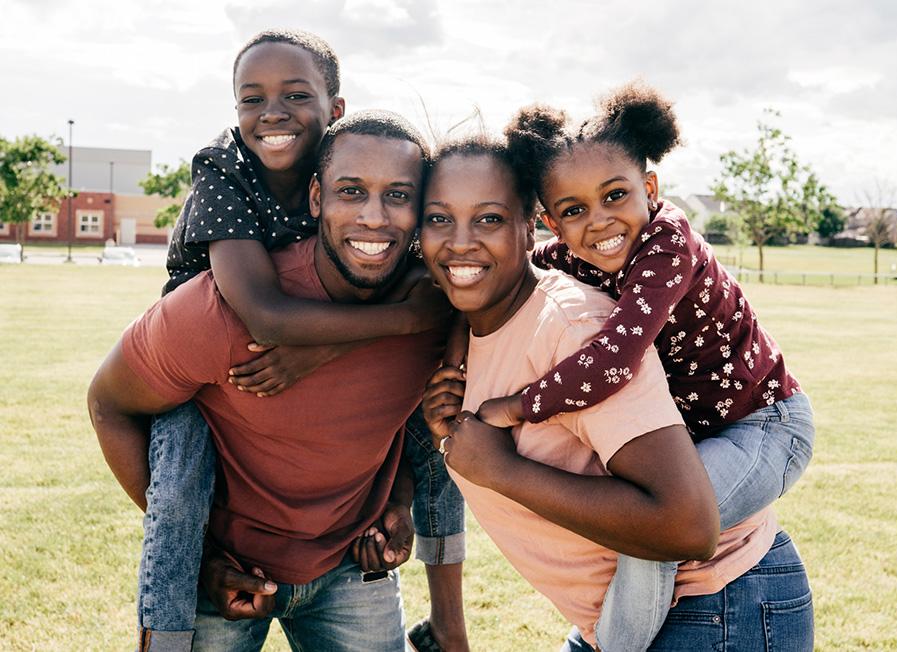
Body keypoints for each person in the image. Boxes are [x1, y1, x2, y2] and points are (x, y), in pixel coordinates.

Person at [418, 138, 814, 650]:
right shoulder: (537, 274)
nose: (463, 242)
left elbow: (684, 526)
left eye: (489, 219)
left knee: (658, 544)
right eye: (439, 219)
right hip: (679, 603)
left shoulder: (617, 287)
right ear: (552, 222)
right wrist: (453, 369)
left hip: (722, 591)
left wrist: (511, 435)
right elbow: (468, 280)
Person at [142, 30, 467, 651]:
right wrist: (404, 320)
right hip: (214, 348)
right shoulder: (224, 168)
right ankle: (167, 633)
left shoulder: (356, 172)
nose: (272, 113)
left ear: (333, 109)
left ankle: (449, 620)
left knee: (437, 419)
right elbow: (263, 317)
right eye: (251, 98)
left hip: (300, 332)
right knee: (179, 493)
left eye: (295, 95)